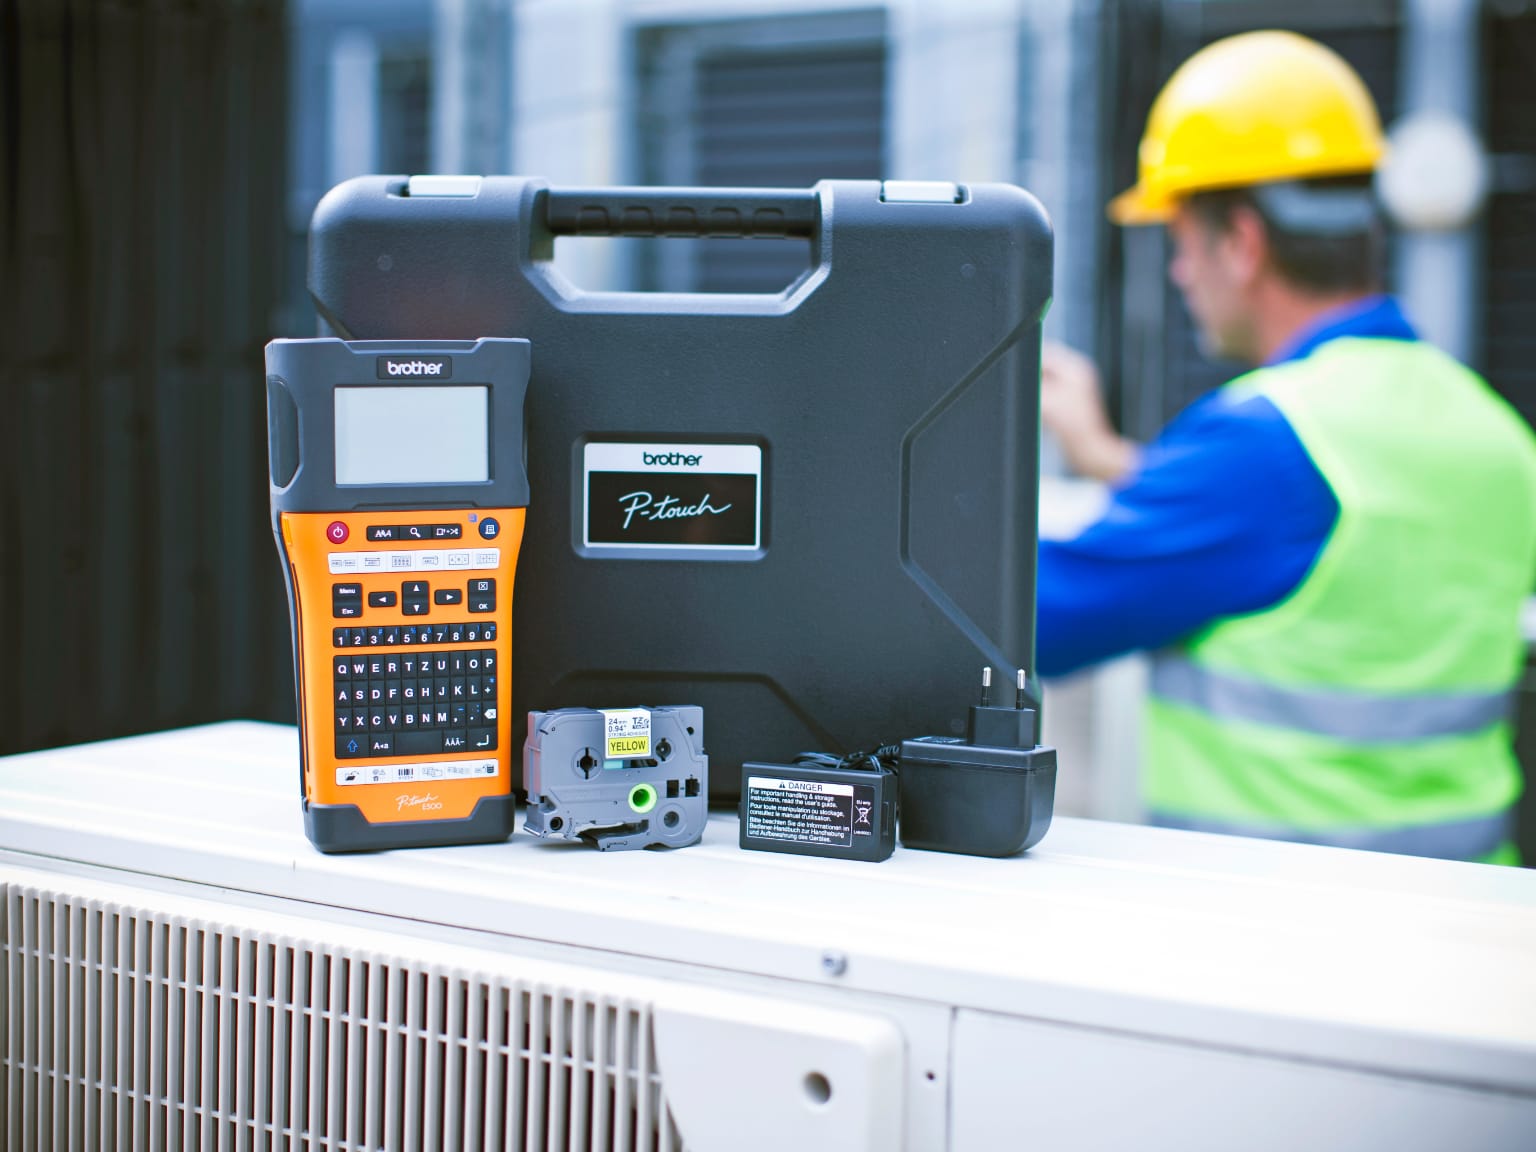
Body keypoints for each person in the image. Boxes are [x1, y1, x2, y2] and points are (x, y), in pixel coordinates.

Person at [1037, 30, 1536, 864]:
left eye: (1181, 240)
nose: (1179, 274)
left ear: (1242, 240)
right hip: (1477, 925)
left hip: (1279, 934)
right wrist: (1117, 462)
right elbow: (1331, 555)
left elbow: (1037, 623)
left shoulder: (1261, 445)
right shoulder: (1494, 433)